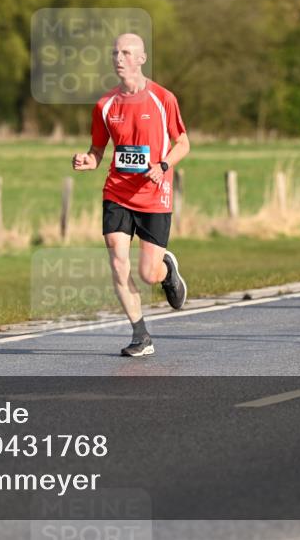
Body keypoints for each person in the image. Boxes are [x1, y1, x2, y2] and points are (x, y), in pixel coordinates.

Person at [72, 33, 190, 357]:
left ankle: (167, 270)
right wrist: (88, 160)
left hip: (154, 194)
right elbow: (97, 151)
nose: (119, 58)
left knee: (147, 273)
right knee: (118, 261)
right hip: (117, 192)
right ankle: (141, 335)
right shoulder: (105, 105)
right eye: (115, 53)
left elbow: (183, 143)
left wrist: (163, 165)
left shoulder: (163, 98)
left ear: (141, 58)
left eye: (126, 53)